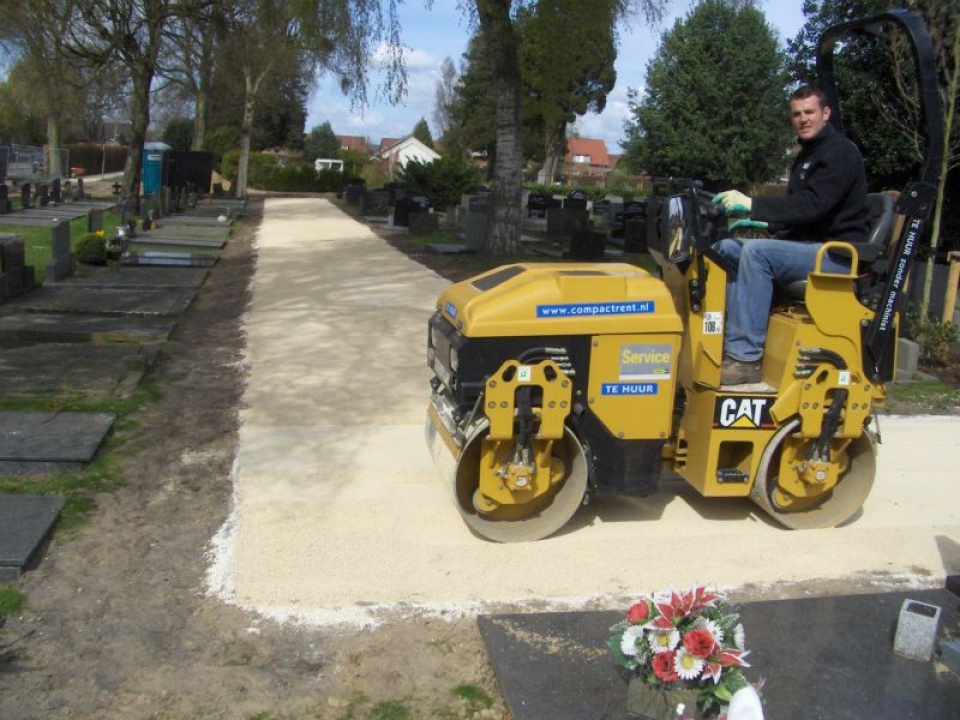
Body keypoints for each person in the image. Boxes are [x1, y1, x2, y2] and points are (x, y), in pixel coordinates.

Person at [712, 84, 871, 386]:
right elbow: (801, 214)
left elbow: (813, 205)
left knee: (756, 253)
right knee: (728, 248)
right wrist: (765, 225)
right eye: (797, 114)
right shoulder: (808, 155)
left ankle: (745, 358)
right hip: (808, 246)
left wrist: (754, 205)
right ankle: (726, 338)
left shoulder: (840, 153)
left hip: (836, 255)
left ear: (826, 113)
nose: (803, 119)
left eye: (809, 112)